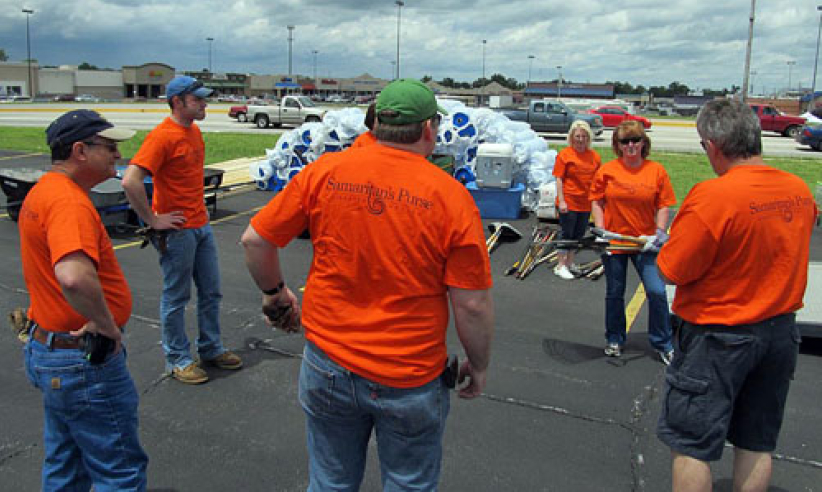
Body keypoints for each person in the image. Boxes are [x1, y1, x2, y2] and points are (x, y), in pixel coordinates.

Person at [241, 78, 495, 491]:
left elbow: (255, 241)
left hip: (328, 364)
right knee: (408, 483)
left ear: (376, 125)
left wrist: (276, 294)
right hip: (408, 375)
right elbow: (472, 305)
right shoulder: (451, 198)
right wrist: (478, 364)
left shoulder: (324, 172)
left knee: (331, 482)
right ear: (428, 129)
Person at [656, 99, 817, 492]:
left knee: (691, 444)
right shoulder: (797, 190)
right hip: (779, 333)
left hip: (719, 336)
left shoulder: (713, 195)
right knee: (756, 441)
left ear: (713, 146)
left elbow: (673, 269)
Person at [19, 110, 148, 490]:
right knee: (119, 471)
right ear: (80, 150)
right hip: (81, 360)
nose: (118, 156)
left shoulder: (45, 191)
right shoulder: (69, 203)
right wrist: (107, 326)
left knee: (65, 463)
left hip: (52, 350)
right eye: (109, 147)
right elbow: (73, 277)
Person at [122, 75, 242, 384]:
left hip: (200, 225)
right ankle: (178, 358)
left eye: (204, 99)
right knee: (176, 297)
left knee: (211, 291)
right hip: (177, 232)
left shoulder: (193, 132)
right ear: (177, 102)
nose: (204, 104)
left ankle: (211, 348)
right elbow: (131, 180)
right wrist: (152, 220)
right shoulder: (162, 137)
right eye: (197, 99)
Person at [589, 120, 675, 364]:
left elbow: (663, 204)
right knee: (615, 292)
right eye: (625, 141)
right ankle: (615, 338)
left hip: (643, 243)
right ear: (617, 145)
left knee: (656, 292)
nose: (630, 145)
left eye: (635, 140)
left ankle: (663, 343)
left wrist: (658, 234)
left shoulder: (656, 171)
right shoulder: (607, 171)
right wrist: (601, 230)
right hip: (615, 242)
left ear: (643, 143)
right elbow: (597, 200)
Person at [552, 120, 601, 280]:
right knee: (566, 233)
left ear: (589, 138)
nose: (581, 140)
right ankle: (560, 265)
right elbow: (559, 179)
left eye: (584, 136)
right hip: (569, 201)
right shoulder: (565, 155)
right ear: (572, 137)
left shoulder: (594, 157)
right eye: (578, 136)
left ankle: (570, 262)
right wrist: (562, 201)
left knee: (578, 234)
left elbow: (598, 180)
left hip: (585, 203)